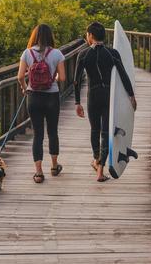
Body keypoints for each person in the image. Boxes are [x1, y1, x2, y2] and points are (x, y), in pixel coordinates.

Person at [74, 22, 136, 182]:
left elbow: (76, 81)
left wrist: (77, 102)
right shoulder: (112, 53)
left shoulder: (83, 54)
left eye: (87, 34)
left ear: (91, 36)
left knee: (95, 130)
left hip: (93, 95)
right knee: (106, 132)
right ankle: (100, 170)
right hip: (108, 95)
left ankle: (96, 159)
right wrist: (131, 95)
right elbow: (123, 74)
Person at [17, 24, 66, 183]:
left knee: (38, 134)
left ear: (34, 36)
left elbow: (20, 77)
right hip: (51, 96)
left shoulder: (27, 53)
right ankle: (54, 166)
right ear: (50, 36)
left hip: (34, 97)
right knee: (52, 132)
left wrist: (25, 88)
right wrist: (53, 79)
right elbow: (63, 78)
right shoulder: (57, 53)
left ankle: (38, 173)